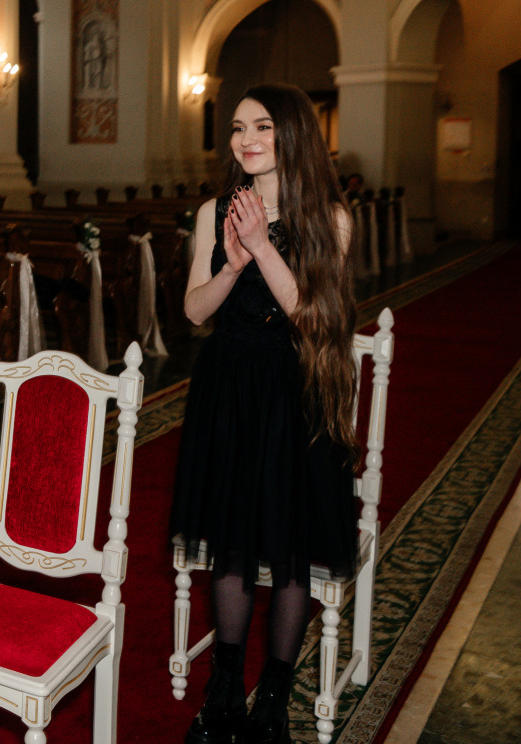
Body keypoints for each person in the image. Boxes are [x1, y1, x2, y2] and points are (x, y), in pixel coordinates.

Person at [171, 84, 358, 744]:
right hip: (226, 384)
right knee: (226, 536)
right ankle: (223, 688)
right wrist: (233, 263)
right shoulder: (211, 210)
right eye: (236, 127)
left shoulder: (329, 218)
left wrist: (263, 244)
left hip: (292, 388)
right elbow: (194, 311)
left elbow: (312, 317)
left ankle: (272, 695)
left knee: (287, 541)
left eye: (261, 126)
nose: (244, 138)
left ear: (292, 136)